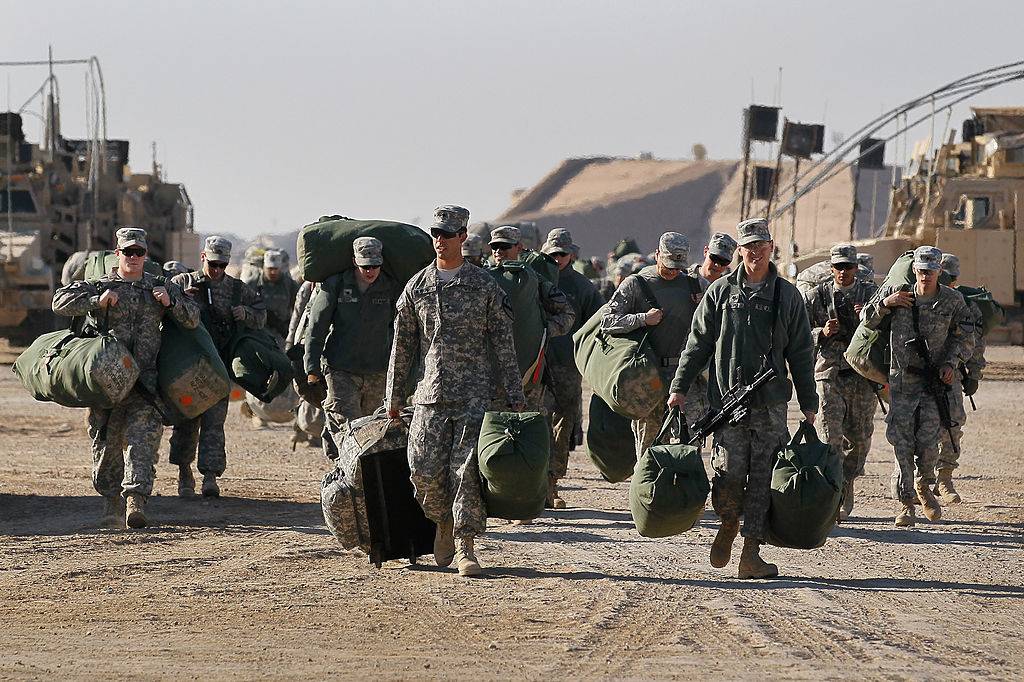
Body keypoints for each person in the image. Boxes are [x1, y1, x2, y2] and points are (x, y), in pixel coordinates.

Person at [667, 218, 817, 579]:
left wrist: (810, 402)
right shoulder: (720, 293)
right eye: (748, 247)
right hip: (727, 403)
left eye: (760, 246)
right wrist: (679, 387)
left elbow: (800, 351)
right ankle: (729, 522)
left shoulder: (787, 296)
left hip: (770, 404)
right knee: (729, 474)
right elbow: (697, 344)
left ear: (771, 247)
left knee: (764, 477)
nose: (754, 252)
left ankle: (751, 552)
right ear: (740, 251)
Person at [386, 205, 525, 578]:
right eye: (436, 233)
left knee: (465, 471)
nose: (440, 240)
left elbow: (503, 343)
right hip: (429, 394)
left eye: (448, 234)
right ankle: (441, 520)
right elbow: (403, 346)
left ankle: (465, 546)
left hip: (475, 396)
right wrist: (394, 397)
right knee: (423, 471)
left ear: (463, 237)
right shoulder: (417, 287)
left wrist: (514, 393)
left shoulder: (483, 286)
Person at [52, 228, 200, 528]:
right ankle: (111, 501)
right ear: (117, 253)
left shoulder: (158, 287)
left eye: (139, 252)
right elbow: (59, 302)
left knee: (142, 442)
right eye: (128, 252)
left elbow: (193, 317)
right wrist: (97, 301)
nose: (133, 257)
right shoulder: (101, 284)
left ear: (145, 255)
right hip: (107, 384)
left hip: (145, 384)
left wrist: (171, 303)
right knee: (106, 445)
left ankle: (136, 500)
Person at [861, 246, 974, 526]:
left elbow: (966, 337)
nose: (925, 277)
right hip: (902, 382)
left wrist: (950, 362)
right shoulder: (899, 294)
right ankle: (906, 502)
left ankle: (925, 485)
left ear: (939, 272)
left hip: (934, 383)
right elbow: (866, 319)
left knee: (927, 443)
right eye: (921, 271)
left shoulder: (952, 300)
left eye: (931, 272)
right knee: (901, 443)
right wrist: (887, 303)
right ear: (914, 270)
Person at [169, 236, 266, 498]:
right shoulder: (183, 283)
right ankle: (184, 473)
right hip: (188, 369)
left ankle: (210, 477)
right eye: (213, 264)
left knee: (214, 424)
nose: (217, 270)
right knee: (187, 422)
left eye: (222, 265)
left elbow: (261, 314)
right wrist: (181, 300)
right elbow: (162, 309)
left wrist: (245, 313)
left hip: (218, 367)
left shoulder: (237, 289)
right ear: (203, 258)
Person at [601, 232, 704, 456]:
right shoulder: (635, 284)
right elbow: (607, 321)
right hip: (649, 377)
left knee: (692, 443)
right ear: (657, 254)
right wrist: (641, 319)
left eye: (678, 266)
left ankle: (685, 490)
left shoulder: (695, 286)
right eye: (669, 265)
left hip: (687, 378)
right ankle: (648, 491)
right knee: (649, 449)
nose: (673, 271)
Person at [803, 243, 879, 520]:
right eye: (838, 266)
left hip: (861, 375)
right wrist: (820, 333)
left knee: (859, 439)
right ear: (831, 267)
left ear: (856, 268)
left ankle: (847, 483)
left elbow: (888, 327)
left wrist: (867, 318)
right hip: (829, 374)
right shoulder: (817, 296)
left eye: (848, 266)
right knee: (830, 437)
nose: (843, 272)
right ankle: (832, 493)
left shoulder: (870, 295)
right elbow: (797, 331)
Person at [305, 237, 398, 455]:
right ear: (354, 262)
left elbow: (401, 330)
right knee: (347, 426)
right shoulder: (336, 285)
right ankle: (345, 473)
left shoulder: (390, 287)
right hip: (341, 368)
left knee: (371, 430)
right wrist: (311, 367)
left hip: (377, 370)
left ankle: (355, 475)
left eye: (375, 265)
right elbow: (317, 327)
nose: (370, 271)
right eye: (365, 266)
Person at [540, 228, 602, 509]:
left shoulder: (582, 287)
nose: (556, 258)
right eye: (551, 254)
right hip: (535, 364)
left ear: (572, 254)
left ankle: (552, 483)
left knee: (562, 424)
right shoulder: (534, 279)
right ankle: (532, 484)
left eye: (561, 254)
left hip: (567, 364)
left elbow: (599, 323)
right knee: (535, 421)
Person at [487, 225, 575, 413]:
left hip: (528, 377)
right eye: (495, 247)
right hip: (490, 380)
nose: (499, 252)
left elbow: (567, 314)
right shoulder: (482, 279)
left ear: (518, 247)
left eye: (505, 247)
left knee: (528, 431)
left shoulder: (534, 279)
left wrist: (541, 331)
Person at [935, 253, 986, 504]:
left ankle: (944, 477)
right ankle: (921, 477)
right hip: (919, 376)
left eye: (950, 279)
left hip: (951, 375)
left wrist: (973, 375)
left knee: (953, 424)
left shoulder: (965, 306)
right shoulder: (922, 300)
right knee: (918, 428)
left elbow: (975, 344)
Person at [287, 279, 324, 449]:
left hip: (326, 344)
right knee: (308, 391)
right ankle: (303, 426)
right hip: (305, 345)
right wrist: (291, 342)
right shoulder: (308, 288)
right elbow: (298, 315)